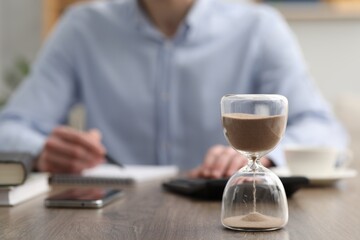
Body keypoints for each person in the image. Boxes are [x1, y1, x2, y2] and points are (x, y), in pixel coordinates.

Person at [0, 0, 348, 178]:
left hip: (221, 212)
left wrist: (264, 154)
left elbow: (325, 130)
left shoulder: (260, 28)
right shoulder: (81, 27)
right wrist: (43, 151)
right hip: (112, 213)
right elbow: (9, 129)